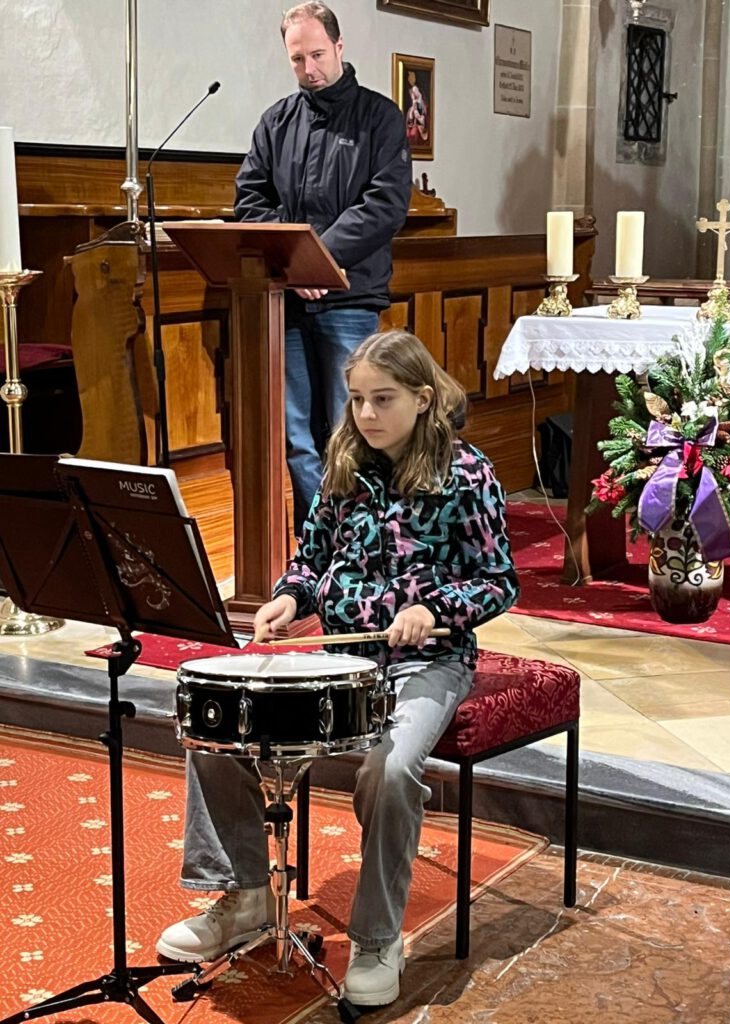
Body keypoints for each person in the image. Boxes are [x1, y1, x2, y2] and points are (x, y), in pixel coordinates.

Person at [156, 328, 520, 1008]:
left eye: (384, 399)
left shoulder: (466, 472)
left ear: (422, 397)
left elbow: (499, 581)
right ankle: (244, 897)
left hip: (429, 660)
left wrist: (434, 608)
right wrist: (290, 598)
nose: (367, 414)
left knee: (390, 769)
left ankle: (377, 938)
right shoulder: (345, 462)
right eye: (357, 399)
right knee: (216, 724)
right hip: (343, 659)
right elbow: (313, 559)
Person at [234, 2, 413, 535]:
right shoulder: (276, 122)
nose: (308, 69)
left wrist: (318, 261)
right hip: (286, 299)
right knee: (296, 435)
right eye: (297, 59)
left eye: (316, 55)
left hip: (350, 298)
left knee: (352, 426)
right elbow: (250, 200)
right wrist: (296, 265)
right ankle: (320, 540)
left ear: (338, 46)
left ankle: (359, 537)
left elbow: (384, 205)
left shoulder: (380, 117)